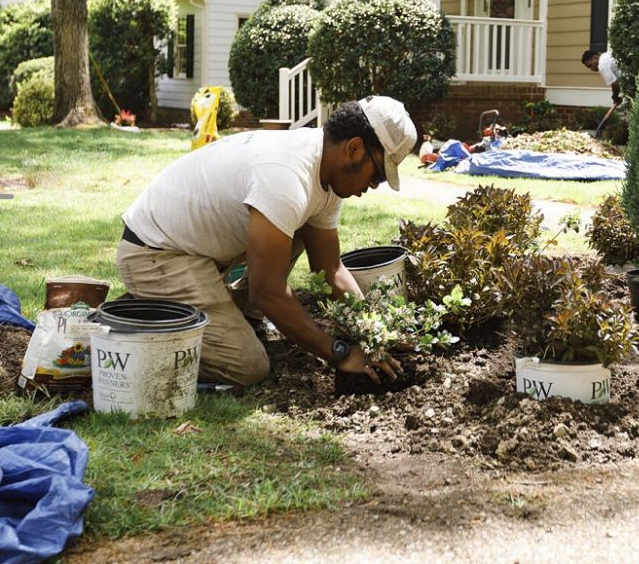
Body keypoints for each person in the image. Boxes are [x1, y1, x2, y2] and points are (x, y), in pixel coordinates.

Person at [115, 95, 417, 387]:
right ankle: (130, 328)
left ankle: (218, 316)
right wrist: (339, 353)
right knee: (247, 367)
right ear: (354, 148)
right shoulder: (287, 175)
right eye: (377, 174)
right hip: (156, 255)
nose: (373, 186)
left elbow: (330, 269)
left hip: (201, 254)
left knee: (298, 228)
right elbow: (267, 291)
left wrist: (377, 334)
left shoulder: (326, 174)